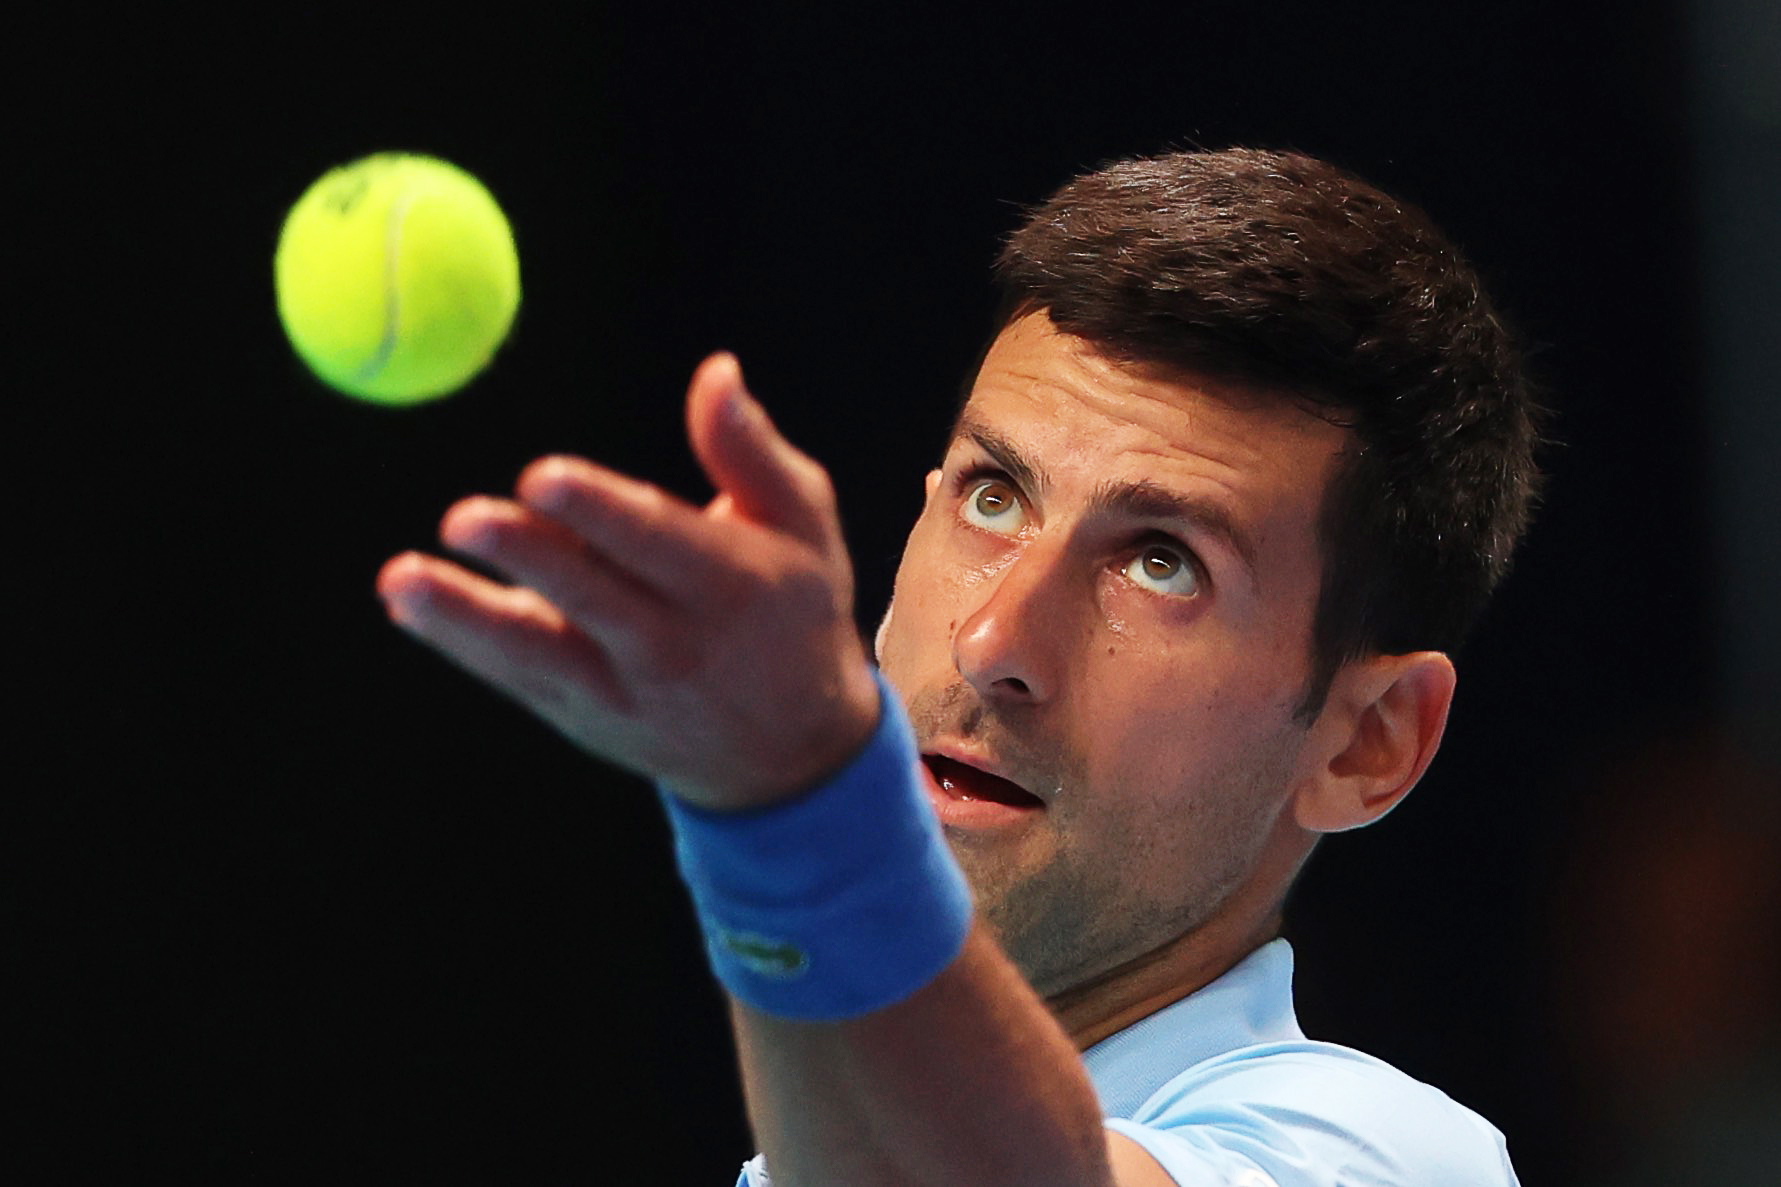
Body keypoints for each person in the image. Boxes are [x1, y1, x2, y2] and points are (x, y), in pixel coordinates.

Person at [377, 147, 1540, 1186]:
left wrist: (790, 802)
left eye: (1160, 562)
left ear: (1366, 740)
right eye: (994, 497)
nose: (993, 646)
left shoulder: (1384, 1154)